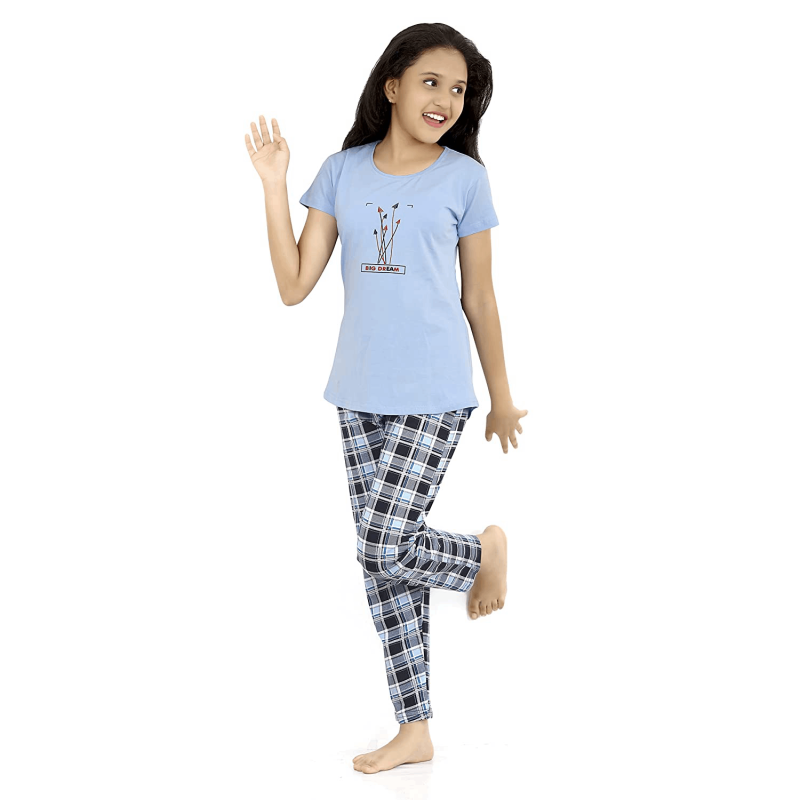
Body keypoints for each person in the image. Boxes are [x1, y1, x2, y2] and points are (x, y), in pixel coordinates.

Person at [245, 22, 525, 775]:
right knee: (383, 568)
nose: (446, 99)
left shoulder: (464, 179)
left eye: (458, 89)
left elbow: (480, 297)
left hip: (435, 391)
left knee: (385, 544)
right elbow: (294, 285)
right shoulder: (341, 172)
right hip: (357, 392)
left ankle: (480, 554)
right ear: (392, 86)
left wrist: (501, 397)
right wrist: (274, 186)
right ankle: (415, 728)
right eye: (432, 82)